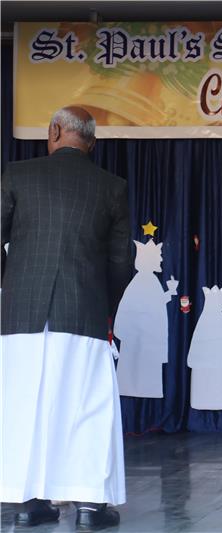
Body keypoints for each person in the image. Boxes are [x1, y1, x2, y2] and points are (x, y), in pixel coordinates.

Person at [1, 107, 131, 529]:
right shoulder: (111, 186)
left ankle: (27, 503)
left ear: (55, 130)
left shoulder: (18, 175)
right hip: (83, 310)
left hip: (20, 312)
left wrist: (12, 283)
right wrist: (104, 304)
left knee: (23, 406)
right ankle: (90, 507)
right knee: (86, 407)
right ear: (92, 142)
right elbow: (122, 261)